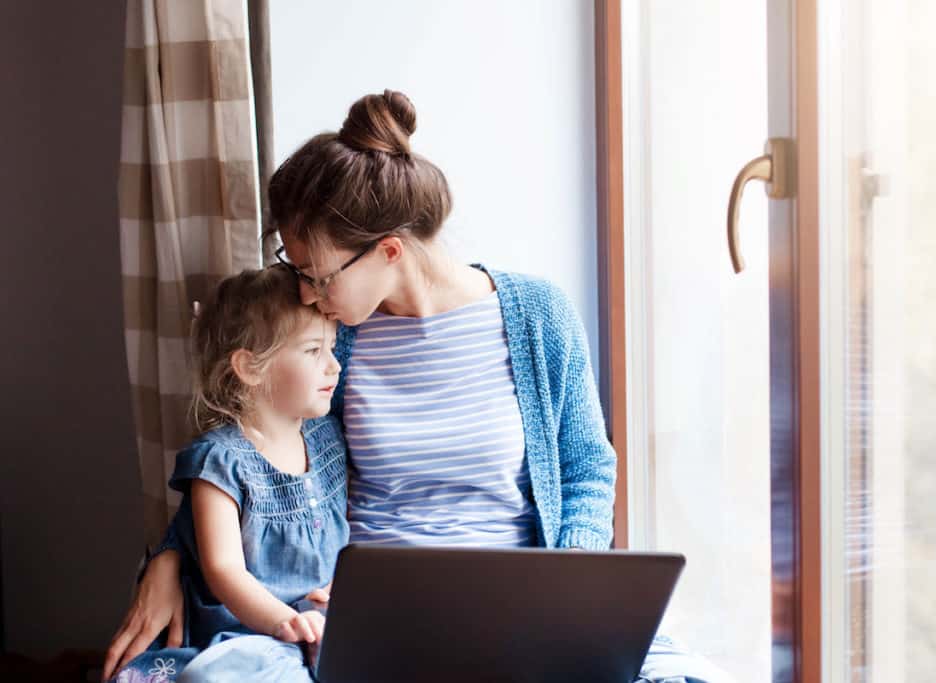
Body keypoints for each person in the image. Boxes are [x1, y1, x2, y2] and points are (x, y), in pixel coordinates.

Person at [105, 89, 723, 683]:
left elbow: (587, 468)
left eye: (317, 274)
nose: (304, 293)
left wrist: (570, 593)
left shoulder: (538, 315)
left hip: (522, 608)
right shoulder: (328, 341)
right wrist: (170, 554)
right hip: (372, 616)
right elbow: (255, 458)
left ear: (390, 251)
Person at [109, 267, 349, 682]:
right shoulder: (220, 460)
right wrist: (284, 623)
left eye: (333, 347)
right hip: (245, 636)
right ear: (251, 368)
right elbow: (224, 570)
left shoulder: (328, 436)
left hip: (319, 624)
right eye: (313, 351)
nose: (334, 366)